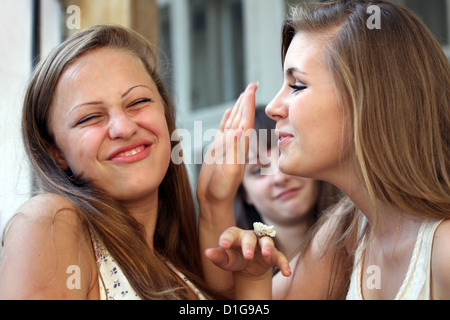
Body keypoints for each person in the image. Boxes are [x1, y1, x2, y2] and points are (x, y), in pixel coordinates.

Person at [0, 24, 289, 300]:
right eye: (89, 117)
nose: (123, 128)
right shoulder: (50, 219)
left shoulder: (175, 269)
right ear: (56, 152)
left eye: (138, 102)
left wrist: (217, 207)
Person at [202, 0, 450, 300]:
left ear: (367, 99)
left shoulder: (443, 251)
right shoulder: (347, 231)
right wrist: (215, 204)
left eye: (297, 86)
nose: (274, 108)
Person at [233, 105, 340, 296]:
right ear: (245, 194)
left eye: (287, 154)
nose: (280, 177)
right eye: (258, 170)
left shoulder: (362, 242)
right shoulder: (236, 280)